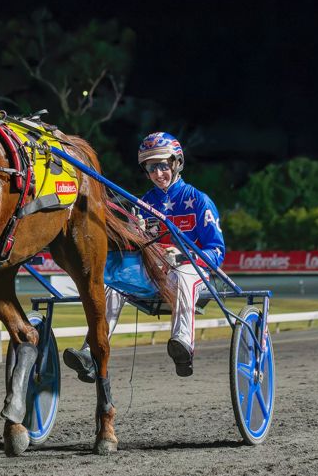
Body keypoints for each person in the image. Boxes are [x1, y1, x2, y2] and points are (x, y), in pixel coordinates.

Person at [63, 132, 225, 379]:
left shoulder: (199, 201)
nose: (158, 174)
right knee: (113, 282)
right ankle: (90, 352)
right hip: (154, 275)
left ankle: (182, 345)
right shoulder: (143, 204)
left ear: (177, 163)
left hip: (193, 273)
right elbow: (135, 249)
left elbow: (217, 251)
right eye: (151, 168)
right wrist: (133, 234)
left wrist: (184, 255)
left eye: (163, 166)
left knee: (183, 273)